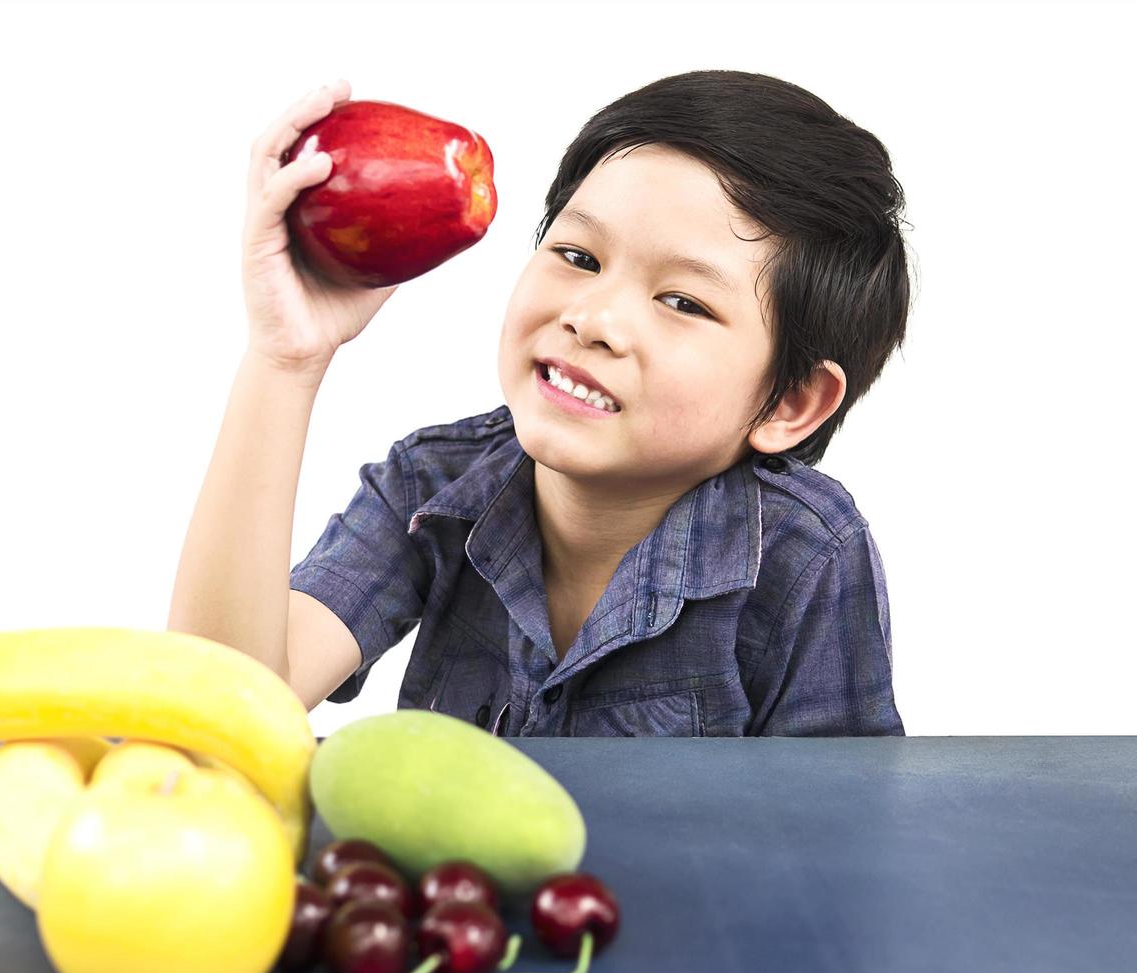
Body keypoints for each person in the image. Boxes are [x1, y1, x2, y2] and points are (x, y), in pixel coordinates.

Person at [168, 70, 912, 737]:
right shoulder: (433, 487)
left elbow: (840, 832)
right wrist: (285, 362)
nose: (593, 319)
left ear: (791, 401)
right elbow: (220, 705)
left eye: (682, 301)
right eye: (579, 257)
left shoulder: (807, 553)